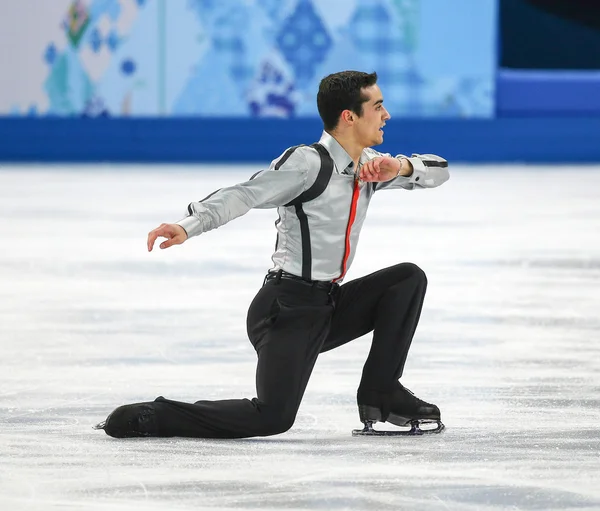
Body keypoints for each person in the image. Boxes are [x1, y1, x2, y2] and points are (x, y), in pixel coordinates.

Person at [96, 70, 449, 439]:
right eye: (377, 107)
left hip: (328, 305)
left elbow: (441, 171)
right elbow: (246, 193)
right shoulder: (307, 163)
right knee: (273, 417)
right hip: (287, 309)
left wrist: (403, 166)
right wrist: (189, 224)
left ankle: (382, 392)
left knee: (407, 280)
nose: (386, 115)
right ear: (349, 116)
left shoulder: (371, 166)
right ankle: (157, 415)